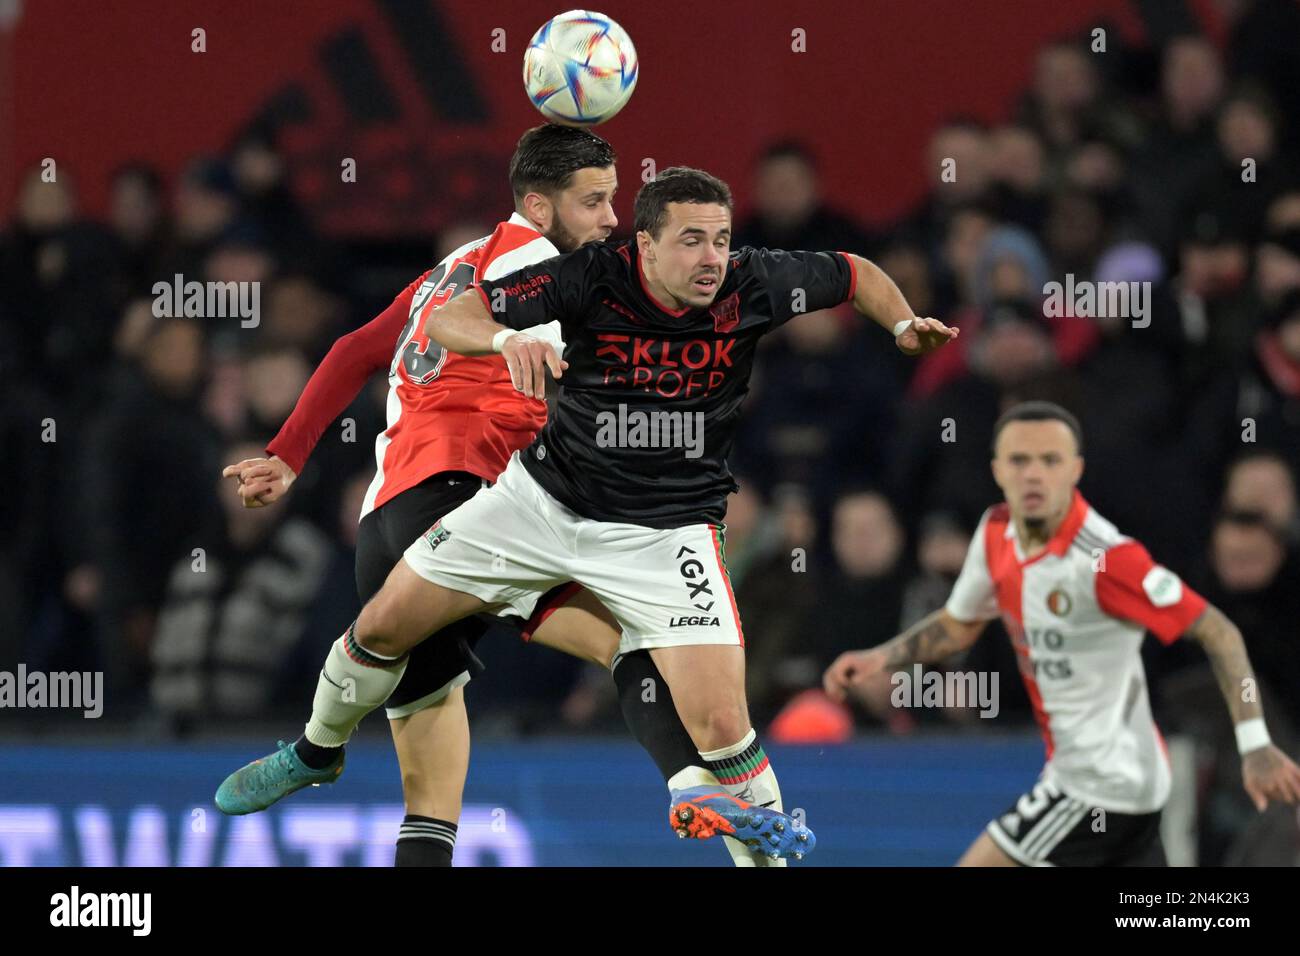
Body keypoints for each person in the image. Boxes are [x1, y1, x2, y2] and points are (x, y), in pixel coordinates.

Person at [220, 165, 958, 861]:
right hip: (541, 507)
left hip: (668, 534)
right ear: (646, 245)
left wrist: (901, 323)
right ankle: (317, 752)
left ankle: (730, 822)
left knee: (725, 724)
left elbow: (854, 273)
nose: (711, 258)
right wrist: (506, 339)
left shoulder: (754, 281)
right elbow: (452, 317)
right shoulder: (586, 276)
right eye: (692, 240)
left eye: (721, 239)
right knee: (382, 625)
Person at [824, 401, 1300, 866]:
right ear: (997, 470)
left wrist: (1255, 744)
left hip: (1100, 784)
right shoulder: (995, 532)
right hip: (1116, 779)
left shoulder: (1106, 560)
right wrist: (881, 658)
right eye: (1020, 460)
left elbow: (1218, 631)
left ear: (1075, 470)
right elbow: (958, 625)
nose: (1034, 475)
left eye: (1050, 461)